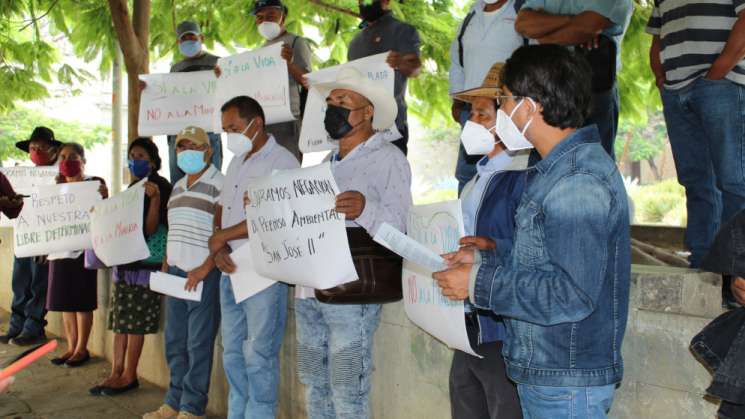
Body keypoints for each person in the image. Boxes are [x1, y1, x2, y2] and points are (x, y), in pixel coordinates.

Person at [433, 45, 630, 419]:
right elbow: (549, 255)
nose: (502, 112)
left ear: (529, 106)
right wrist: (488, 255)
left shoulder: (577, 182)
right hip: (549, 371)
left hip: (566, 381)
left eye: (505, 101)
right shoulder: (556, 171)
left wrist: (478, 284)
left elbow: (571, 293)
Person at [294, 66, 412, 419]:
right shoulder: (320, 165)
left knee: (347, 386)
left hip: (352, 289)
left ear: (368, 111)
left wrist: (365, 208)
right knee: (314, 380)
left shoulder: (389, 159)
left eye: (343, 101)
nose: (333, 108)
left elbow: (402, 226)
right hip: (309, 289)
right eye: (330, 102)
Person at [206, 95, 299, 419]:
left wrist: (222, 238)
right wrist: (218, 246)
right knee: (231, 353)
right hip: (230, 269)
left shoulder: (283, 162)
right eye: (225, 129)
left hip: (262, 273)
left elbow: (274, 215)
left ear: (255, 123)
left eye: (233, 127)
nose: (228, 135)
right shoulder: (237, 161)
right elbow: (221, 205)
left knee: (258, 356)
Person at [450, 62, 526, 419]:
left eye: (482, 113)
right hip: (467, 319)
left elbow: (527, 248)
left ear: (508, 119)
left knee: (502, 407)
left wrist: (490, 247)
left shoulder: (523, 178)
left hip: (500, 323)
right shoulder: (473, 181)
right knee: (466, 403)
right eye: (472, 112)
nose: (472, 122)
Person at [647, 0, 745, 268]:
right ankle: (704, 266)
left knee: (735, 181)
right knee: (697, 182)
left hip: (721, 85)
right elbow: (658, 35)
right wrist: (660, 77)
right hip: (677, 91)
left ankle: (735, 274)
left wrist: (716, 74)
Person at [143, 126, 223, 419]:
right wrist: (166, 259)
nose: (185, 151)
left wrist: (206, 267)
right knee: (175, 342)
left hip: (203, 274)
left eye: (193, 146)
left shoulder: (220, 184)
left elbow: (222, 233)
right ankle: (173, 402)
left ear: (209, 150)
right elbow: (174, 227)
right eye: (180, 147)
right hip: (175, 274)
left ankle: (192, 408)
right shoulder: (177, 187)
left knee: (198, 343)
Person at [90, 138, 172, 396]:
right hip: (126, 263)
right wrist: (105, 202)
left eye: (140, 155)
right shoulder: (133, 188)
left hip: (144, 266)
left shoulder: (159, 186)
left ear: (153, 161)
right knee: (120, 323)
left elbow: (149, 229)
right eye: (131, 154)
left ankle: (129, 375)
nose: (134, 159)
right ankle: (116, 372)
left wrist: (156, 200)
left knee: (134, 323)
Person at [515, 0, 633, 159]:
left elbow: (588, 26)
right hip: (544, 88)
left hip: (592, 88)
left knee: (591, 165)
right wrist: (572, 20)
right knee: (542, 166)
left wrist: (543, 31)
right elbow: (522, 23)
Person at [450, 0, 525, 193]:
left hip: (508, 111)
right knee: (468, 175)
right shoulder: (471, 15)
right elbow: (457, 62)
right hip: (472, 109)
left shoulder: (522, 10)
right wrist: (459, 104)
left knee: (507, 174)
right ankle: (465, 220)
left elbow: (534, 60)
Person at [47, 142, 108, 368]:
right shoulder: (55, 189)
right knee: (65, 304)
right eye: (62, 157)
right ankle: (71, 347)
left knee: (81, 303)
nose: (67, 161)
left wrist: (105, 195)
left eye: (72, 156)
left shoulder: (94, 184)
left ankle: (82, 349)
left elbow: (105, 212)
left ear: (83, 160)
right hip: (59, 252)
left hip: (83, 251)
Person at [1, 126, 61, 346]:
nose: (36, 151)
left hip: (44, 238)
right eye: (33, 148)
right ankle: (16, 327)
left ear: (53, 150)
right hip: (24, 235)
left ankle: (33, 328)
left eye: (41, 147)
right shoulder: (20, 176)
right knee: (20, 282)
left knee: (38, 285)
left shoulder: (59, 176)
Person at [348, 0, 421, 155]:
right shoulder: (354, 43)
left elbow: (415, 69)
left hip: (391, 125)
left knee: (391, 176)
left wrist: (401, 62)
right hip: (359, 127)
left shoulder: (403, 31)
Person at [162, 21, 222, 183]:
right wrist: (148, 89)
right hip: (180, 135)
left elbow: (229, 91)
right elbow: (167, 98)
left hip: (208, 132)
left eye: (192, 37)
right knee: (179, 182)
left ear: (201, 38)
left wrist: (224, 76)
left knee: (211, 180)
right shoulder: (175, 69)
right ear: (178, 42)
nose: (188, 41)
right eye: (184, 38)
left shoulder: (217, 63)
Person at [252, 0, 313, 161]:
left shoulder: (296, 42)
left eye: (271, 15)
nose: (265, 20)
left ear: (283, 17)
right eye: (260, 17)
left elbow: (309, 83)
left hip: (288, 121)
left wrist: (289, 63)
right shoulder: (259, 52)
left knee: (287, 172)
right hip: (264, 122)